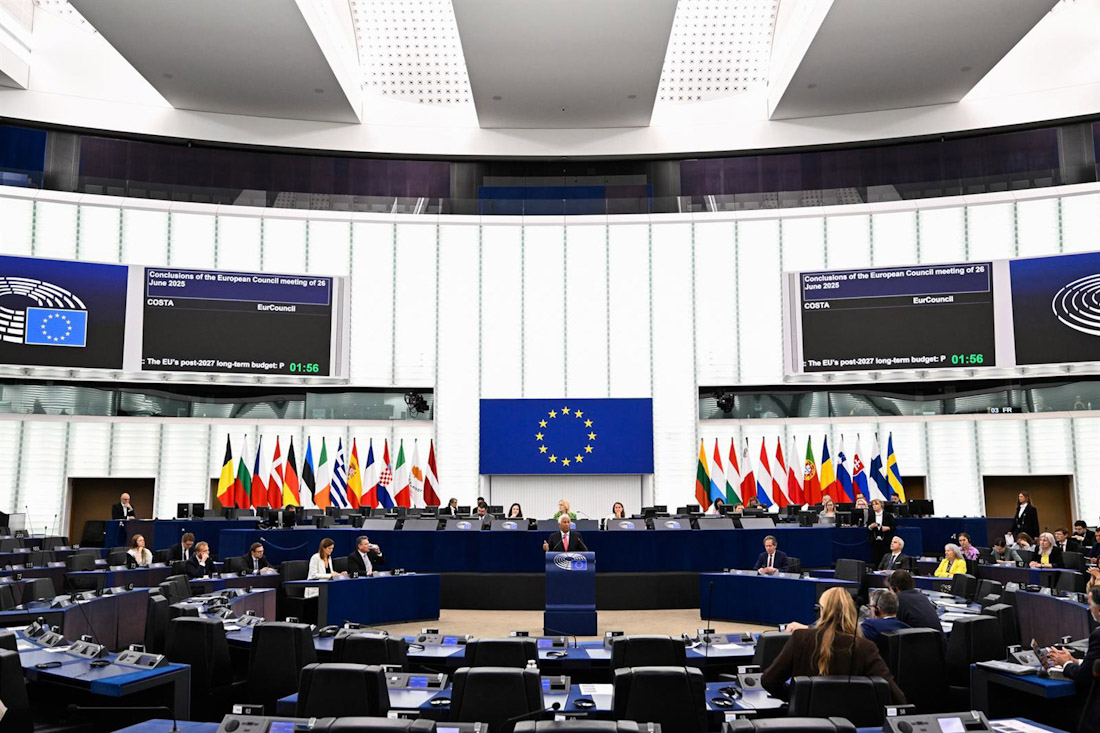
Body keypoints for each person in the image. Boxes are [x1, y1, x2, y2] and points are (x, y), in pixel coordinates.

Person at [761, 587, 905, 703]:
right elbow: (895, 696)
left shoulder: (800, 639)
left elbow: (769, 680)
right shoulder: (865, 647)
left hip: (804, 722)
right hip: (851, 723)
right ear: (851, 612)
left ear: (823, 611)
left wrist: (796, 698)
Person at [1048, 586, 1100, 732]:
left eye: (1090, 605)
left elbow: (1084, 676)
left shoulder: (1098, 635)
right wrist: (1076, 661)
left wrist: (1066, 664)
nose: (1089, 610)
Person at [861, 589, 910, 659]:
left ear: (877, 609)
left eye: (870, 606)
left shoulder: (869, 626)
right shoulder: (907, 628)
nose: (869, 610)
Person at [867, 498, 895, 563]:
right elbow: (867, 528)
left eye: (876, 504)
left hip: (886, 540)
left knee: (886, 557)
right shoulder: (871, 516)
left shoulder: (888, 515)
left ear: (881, 505)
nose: (874, 506)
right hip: (875, 540)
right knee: (876, 558)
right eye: (873, 505)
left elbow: (893, 527)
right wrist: (871, 526)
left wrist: (887, 528)